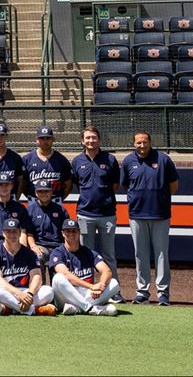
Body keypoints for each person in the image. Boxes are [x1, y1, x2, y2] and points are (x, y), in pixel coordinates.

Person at [121, 131, 179, 306]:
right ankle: (142, 292)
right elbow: (125, 185)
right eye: (138, 143)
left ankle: (163, 293)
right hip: (137, 215)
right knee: (140, 254)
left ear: (150, 142)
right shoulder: (128, 161)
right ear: (134, 144)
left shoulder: (163, 159)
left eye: (145, 142)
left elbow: (174, 186)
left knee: (162, 254)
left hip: (160, 214)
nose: (142, 145)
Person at [70, 126, 122, 302]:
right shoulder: (77, 161)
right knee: (86, 255)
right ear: (82, 141)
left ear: (99, 140)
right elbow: (77, 183)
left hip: (107, 215)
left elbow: (116, 185)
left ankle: (113, 292)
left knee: (108, 255)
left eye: (94, 138)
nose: (91, 141)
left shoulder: (110, 159)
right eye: (87, 138)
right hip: (85, 215)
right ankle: (89, 290)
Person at [0, 218, 56, 316]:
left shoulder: (29, 253)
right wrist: (19, 294)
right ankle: (34, 310)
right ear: (3, 233)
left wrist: (30, 294)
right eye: (8, 232)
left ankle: (11, 309)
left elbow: (37, 276)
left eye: (15, 231)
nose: (12, 235)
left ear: (20, 233)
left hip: (26, 292)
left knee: (49, 291)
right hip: (6, 292)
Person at [50, 218, 120, 316]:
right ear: (62, 233)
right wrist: (91, 286)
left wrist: (101, 287)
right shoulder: (57, 252)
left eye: (74, 231)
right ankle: (90, 308)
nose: (71, 234)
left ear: (79, 232)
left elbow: (107, 271)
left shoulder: (88, 252)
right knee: (58, 278)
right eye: (68, 231)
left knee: (114, 283)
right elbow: (66, 274)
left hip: (86, 294)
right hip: (64, 297)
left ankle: (77, 309)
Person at [0, 172, 33, 249]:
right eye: (0, 185)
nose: (4, 188)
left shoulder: (20, 208)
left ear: (12, 185)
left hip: (16, 244)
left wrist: (22, 249)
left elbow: (23, 233)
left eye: (7, 184)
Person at [21, 125, 72, 201]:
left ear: (53, 139)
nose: (45, 141)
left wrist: (60, 199)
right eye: (42, 138)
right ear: (37, 140)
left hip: (55, 201)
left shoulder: (61, 160)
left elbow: (68, 185)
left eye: (48, 138)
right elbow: (22, 185)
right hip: (34, 201)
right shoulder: (27, 159)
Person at [26, 180, 69, 266]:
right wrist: (33, 246)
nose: (44, 194)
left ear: (51, 192)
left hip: (58, 246)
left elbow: (67, 232)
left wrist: (66, 248)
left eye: (46, 191)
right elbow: (29, 233)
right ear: (36, 193)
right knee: (38, 257)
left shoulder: (60, 210)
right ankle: (43, 280)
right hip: (41, 246)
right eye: (40, 191)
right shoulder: (30, 210)